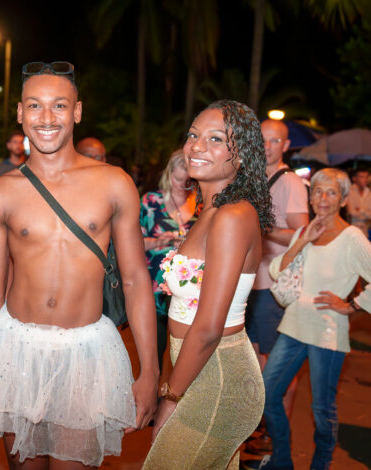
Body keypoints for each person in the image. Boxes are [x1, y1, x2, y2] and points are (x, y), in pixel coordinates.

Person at [0, 61, 159, 469]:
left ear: (77, 111)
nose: (47, 117)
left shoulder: (114, 183)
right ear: (20, 113)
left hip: (86, 353)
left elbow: (134, 280)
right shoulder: (1, 192)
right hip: (16, 351)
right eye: (35, 105)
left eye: (59, 105)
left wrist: (149, 371)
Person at [143, 100, 274, 470]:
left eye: (216, 139)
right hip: (197, 370)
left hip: (216, 377)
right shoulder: (211, 211)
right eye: (193, 135)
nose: (196, 146)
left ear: (242, 155)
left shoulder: (233, 216)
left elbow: (208, 327)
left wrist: (171, 399)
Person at [247, 169, 371, 470]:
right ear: (310, 197)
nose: (323, 198)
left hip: (327, 333)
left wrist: (352, 305)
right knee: (268, 395)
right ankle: (282, 461)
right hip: (293, 326)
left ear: (343, 200)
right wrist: (302, 241)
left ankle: (320, 465)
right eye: (317, 191)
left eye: (331, 192)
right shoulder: (304, 232)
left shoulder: (352, 238)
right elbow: (276, 271)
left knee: (322, 409)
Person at [243, 119, 309, 454]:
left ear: (285, 145)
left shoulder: (290, 182)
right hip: (253, 283)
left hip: (275, 287)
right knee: (256, 360)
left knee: (279, 365)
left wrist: (263, 226)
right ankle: (261, 426)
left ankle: (276, 436)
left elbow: (303, 234)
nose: (267, 146)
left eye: (274, 140)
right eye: (262, 139)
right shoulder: (255, 179)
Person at [140, 149, 198, 369]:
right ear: (168, 174)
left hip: (189, 291)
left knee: (185, 358)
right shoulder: (151, 201)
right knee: (153, 354)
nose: (181, 185)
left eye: (187, 181)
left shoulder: (201, 205)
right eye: (177, 179)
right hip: (155, 289)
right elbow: (132, 243)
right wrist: (158, 241)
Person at [347, 168, 371, 235]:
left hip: (365, 230)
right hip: (351, 228)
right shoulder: (349, 192)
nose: (365, 179)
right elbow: (352, 212)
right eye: (361, 177)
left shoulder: (368, 192)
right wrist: (366, 212)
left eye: (367, 177)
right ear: (354, 179)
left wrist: (359, 210)